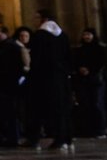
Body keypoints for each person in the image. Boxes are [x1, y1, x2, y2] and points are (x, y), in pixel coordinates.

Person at [27, 9, 73, 151]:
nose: (34, 20)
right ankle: (65, 138)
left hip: (44, 78)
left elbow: (36, 59)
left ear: (43, 19)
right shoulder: (62, 35)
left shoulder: (40, 35)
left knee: (39, 109)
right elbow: (69, 57)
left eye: (36, 17)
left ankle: (34, 139)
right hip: (61, 77)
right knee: (62, 108)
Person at [71, 27, 107, 138]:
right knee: (85, 105)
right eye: (85, 34)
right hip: (82, 81)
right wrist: (80, 69)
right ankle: (87, 129)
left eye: (89, 34)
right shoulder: (79, 50)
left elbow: (101, 63)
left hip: (96, 80)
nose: (86, 37)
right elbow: (75, 62)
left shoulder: (99, 49)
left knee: (97, 104)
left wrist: (90, 69)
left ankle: (101, 129)